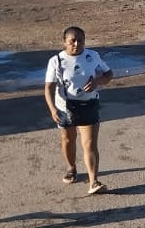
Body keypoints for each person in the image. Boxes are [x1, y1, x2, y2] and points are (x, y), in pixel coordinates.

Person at [44, 26, 114, 195]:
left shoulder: (92, 56)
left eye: (80, 40)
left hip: (88, 105)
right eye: (72, 41)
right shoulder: (56, 61)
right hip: (64, 108)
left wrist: (98, 81)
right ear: (64, 42)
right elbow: (48, 88)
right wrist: (52, 109)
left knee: (90, 144)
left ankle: (93, 181)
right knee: (68, 139)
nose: (76, 44)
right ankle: (71, 168)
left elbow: (109, 74)